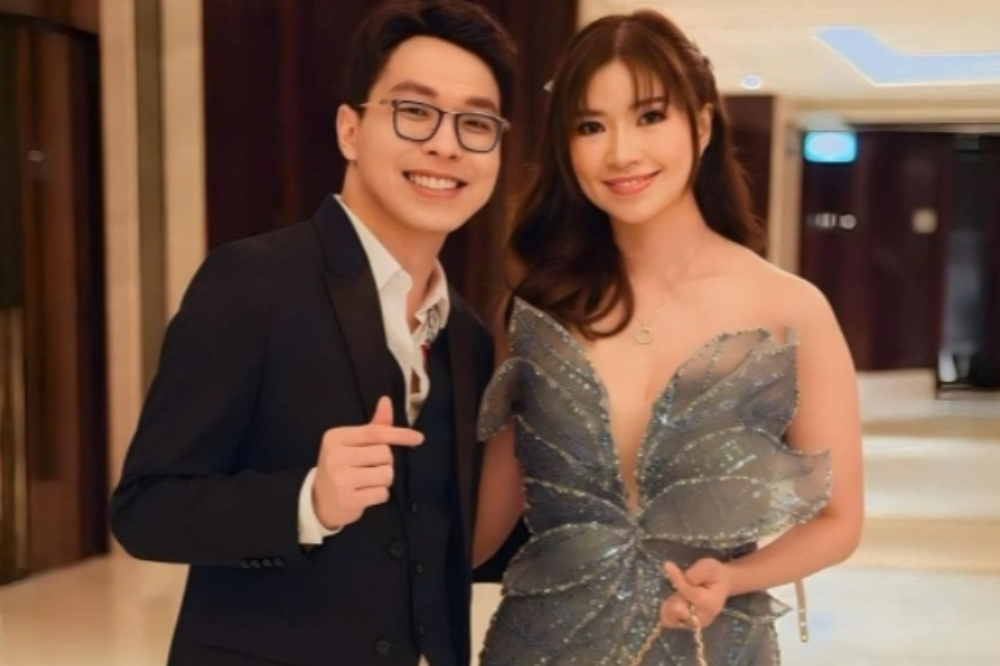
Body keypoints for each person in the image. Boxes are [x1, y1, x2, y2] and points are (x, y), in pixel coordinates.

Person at [110, 1, 517, 665]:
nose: (446, 145)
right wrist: (307, 501)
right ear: (350, 130)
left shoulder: (470, 338)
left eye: (476, 123)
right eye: (415, 111)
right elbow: (145, 510)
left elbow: (442, 545)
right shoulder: (252, 282)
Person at [473, 10, 864, 666]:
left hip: (712, 645)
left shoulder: (791, 308)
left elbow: (839, 521)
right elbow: (485, 525)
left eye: (650, 116)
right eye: (590, 126)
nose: (621, 152)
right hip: (540, 645)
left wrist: (734, 578)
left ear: (702, 124)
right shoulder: (537, 309)